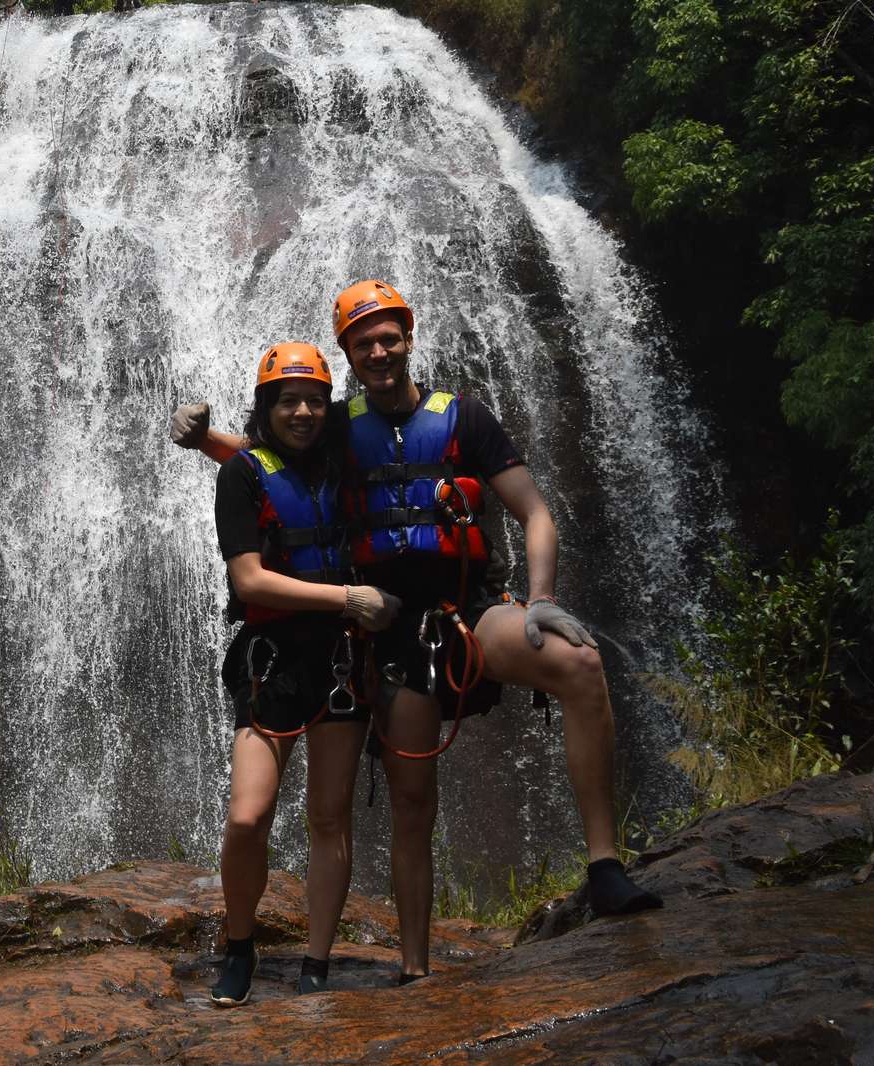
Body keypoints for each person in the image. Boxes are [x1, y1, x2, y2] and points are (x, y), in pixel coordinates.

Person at [175, 280, 660, 986]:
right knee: (411, 798)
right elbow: (277, 457)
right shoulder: (338, 426)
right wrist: (204, 442)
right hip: (392, 631)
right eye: (363, 340)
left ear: (408, 337)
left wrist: (542, 599)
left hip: (475, 612)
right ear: (346, 352)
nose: (378, 349)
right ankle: (414, 969)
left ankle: (605, 866)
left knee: (579, 663)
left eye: (388, 336)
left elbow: (536, 512)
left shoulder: (465, 417)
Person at [197, 341, 403, 1004]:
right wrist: (349, 597)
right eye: (290, 401)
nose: (305, 411)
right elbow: (250, 576)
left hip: (341, 659)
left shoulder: (344, 459)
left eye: (315, 399)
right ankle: (238, 946)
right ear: (267, 408)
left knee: (328, 816)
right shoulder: (243, 475)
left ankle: (317, 962)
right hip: (272, 660)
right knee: (248, 816)